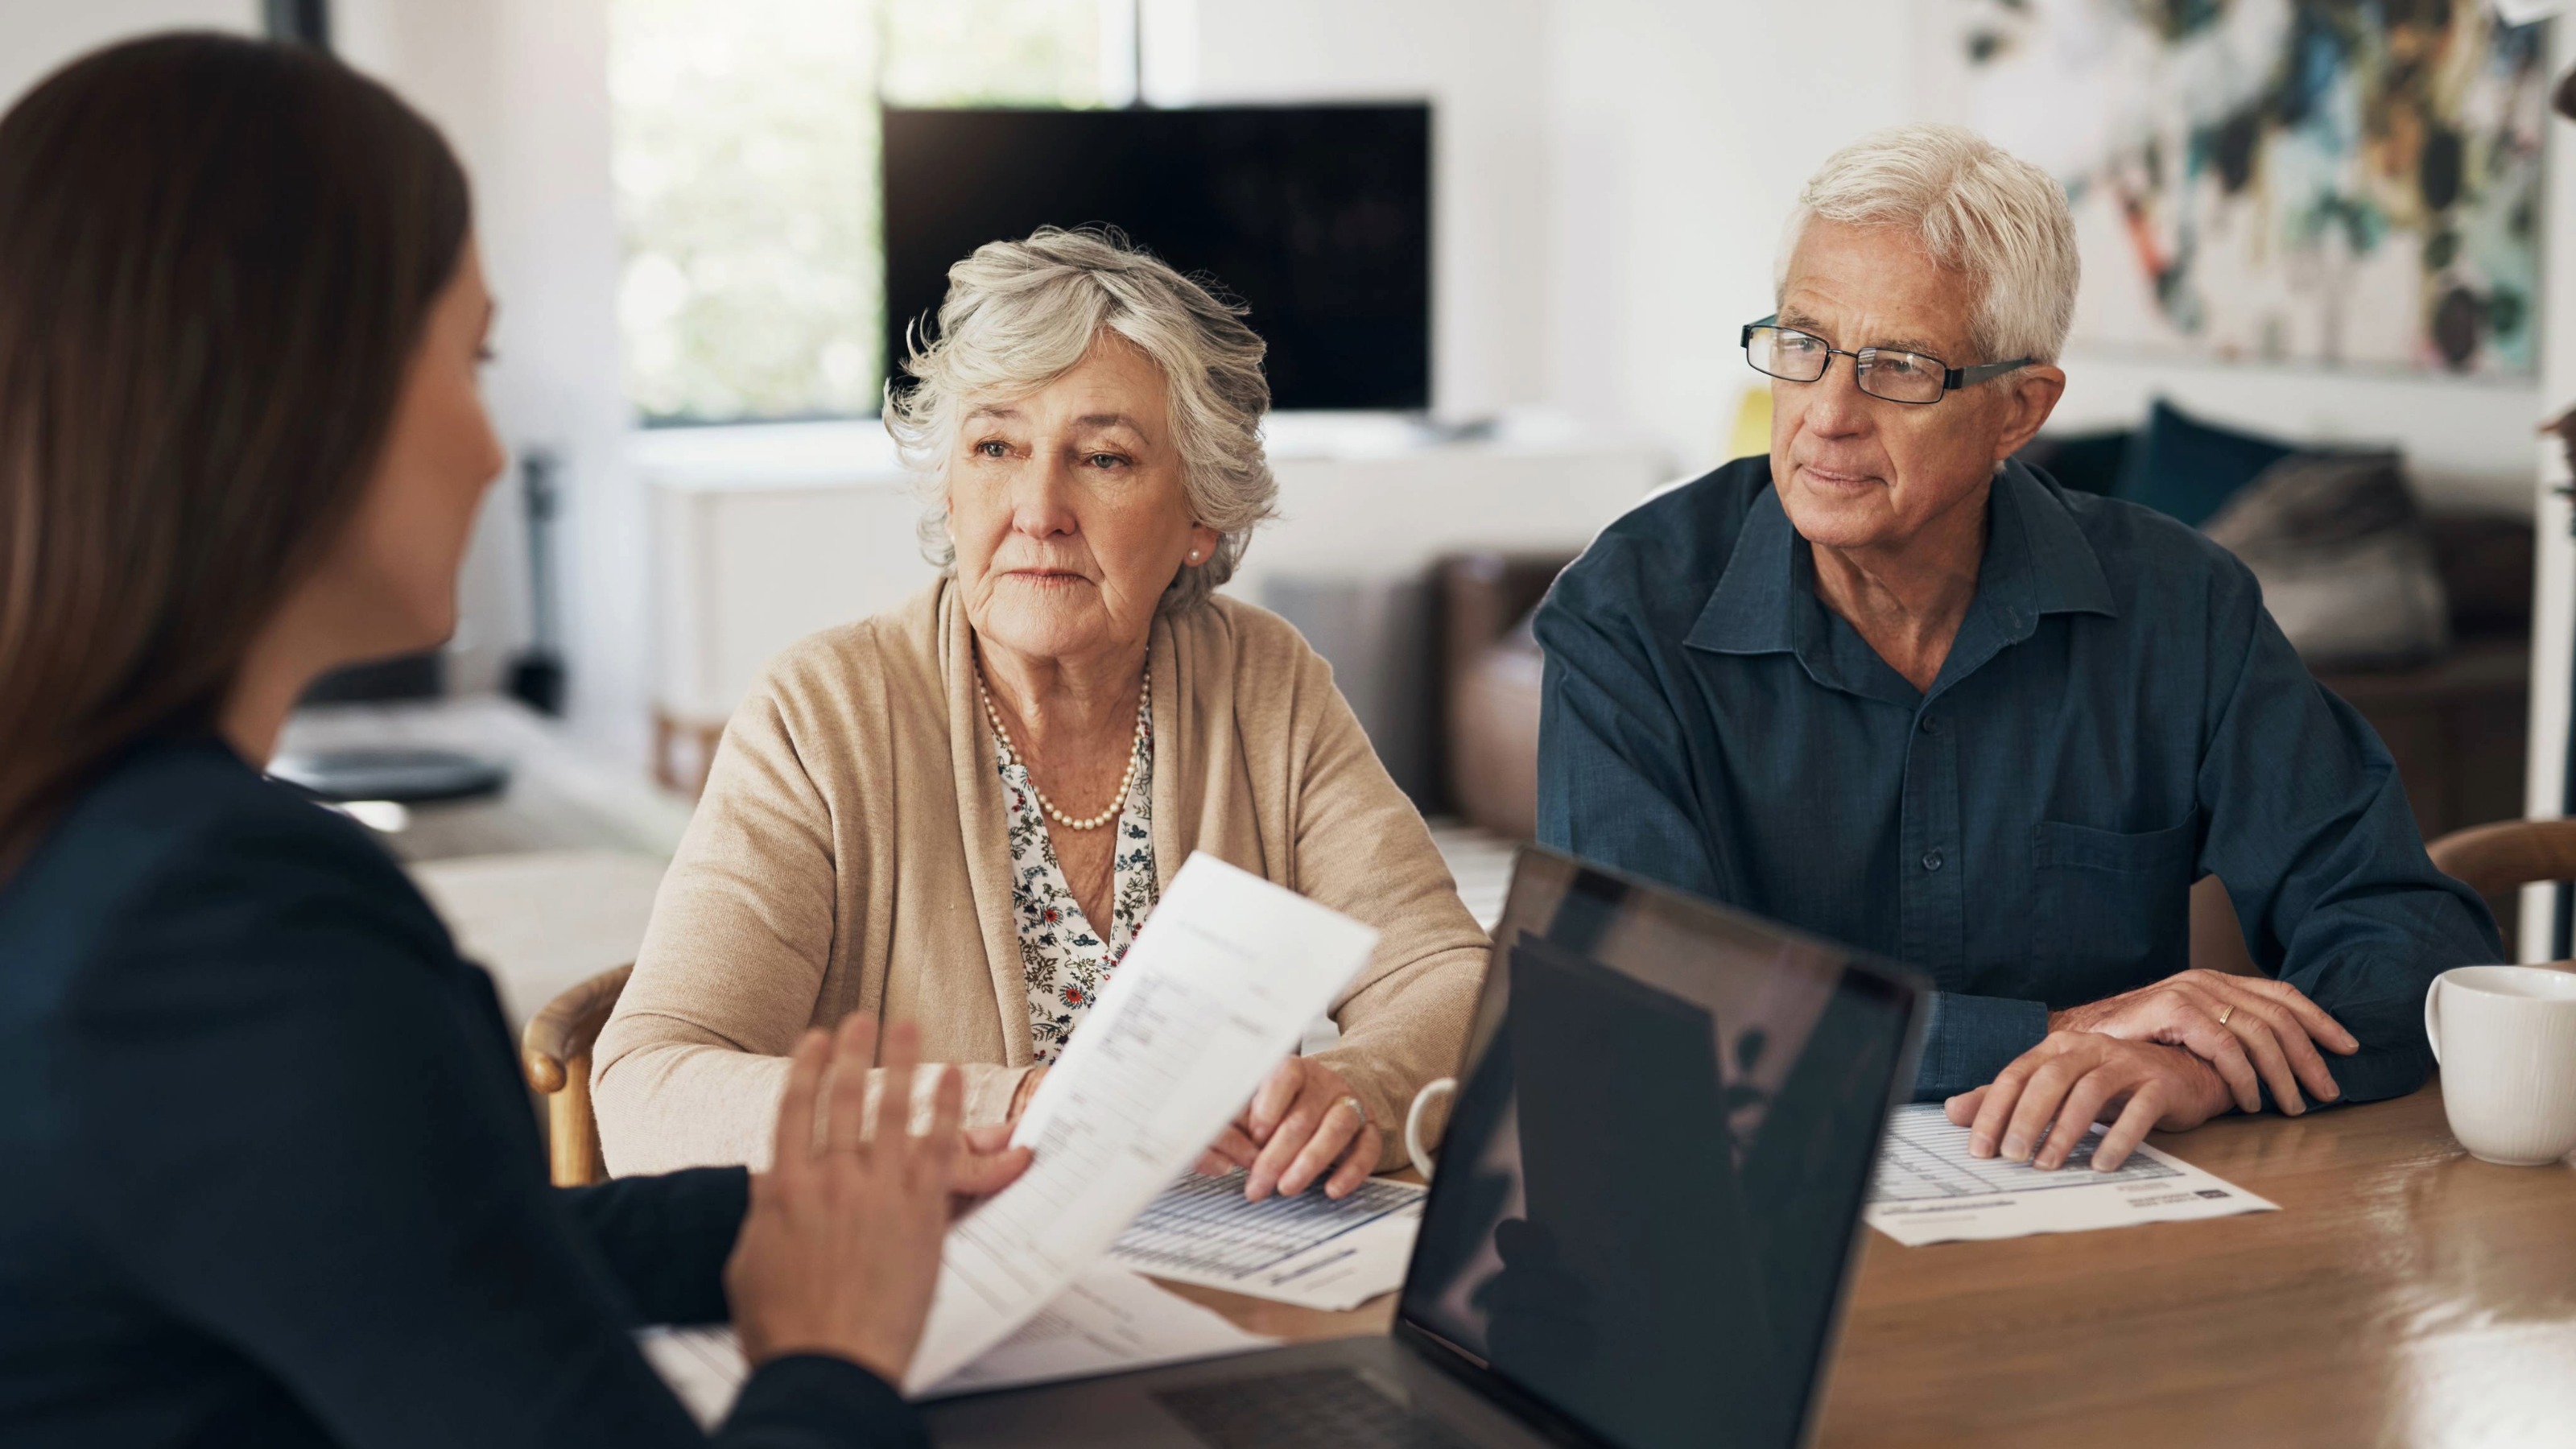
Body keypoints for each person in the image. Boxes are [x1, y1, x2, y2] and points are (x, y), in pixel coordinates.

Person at [0, 35, 1026, 1447]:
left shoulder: (85, 863)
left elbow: (398, 1254)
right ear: (301, 392)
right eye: (470, 358)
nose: (492, 448)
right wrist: (837, 1353)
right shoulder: (224, 930)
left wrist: (797, 1209)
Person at [1534, 123, 2500, 1173]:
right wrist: (2054, 1036)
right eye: (1804, 346)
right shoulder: (1627, 613)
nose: (1827, 416)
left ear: (2019, 410)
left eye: (1898, 367)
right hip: (1741, 1219)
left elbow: (2407, 936)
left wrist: (2208, 1066)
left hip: (2098, 1222)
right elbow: (1634, 996)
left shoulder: (2182, 607)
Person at [593, 227, 1486, 1202]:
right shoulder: (820, 716)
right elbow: (651, 1091)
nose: (1037, 508)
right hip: (927, 1291)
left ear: (1202, 517)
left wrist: (1356, 1088)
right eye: (995, 447)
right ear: (948, 482)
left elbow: (1447, 976)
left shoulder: (1261, 685)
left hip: (1219, 1273)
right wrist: (1018, 1112)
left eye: (1102, 459)